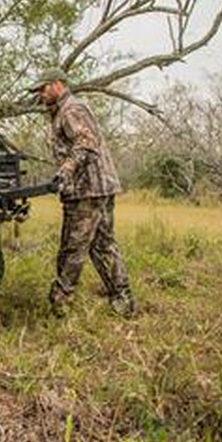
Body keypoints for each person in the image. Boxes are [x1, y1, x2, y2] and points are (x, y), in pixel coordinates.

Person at [29, 68, 136, 318]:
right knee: (103, 245)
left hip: (87, 191)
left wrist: (66, 170)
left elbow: (86, 143)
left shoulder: (71, 109)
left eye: (43, 89)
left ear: (58, 84)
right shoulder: (61, 110)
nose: (41, 95)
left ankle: (61, 302)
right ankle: (122, 298)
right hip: (96, 188)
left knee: (73, 247)